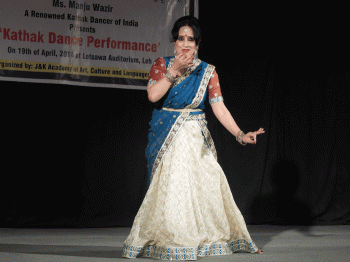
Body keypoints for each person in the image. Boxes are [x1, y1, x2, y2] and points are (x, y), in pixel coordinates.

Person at [122, 16, 264, 260]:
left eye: (190, 39)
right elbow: (153, 96)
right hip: (169, 138)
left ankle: (208, 240)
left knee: (208, 183)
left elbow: (219, 107)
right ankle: (172, 241)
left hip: (196, 139)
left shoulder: (208, 72)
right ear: (174, 43)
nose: (185, 44)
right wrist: (173, 71)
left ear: (198, 44)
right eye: (180, 39)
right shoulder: (162, 64)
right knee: (173, 189)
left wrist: (240, 134)